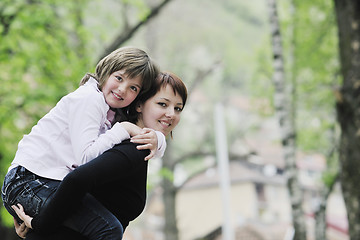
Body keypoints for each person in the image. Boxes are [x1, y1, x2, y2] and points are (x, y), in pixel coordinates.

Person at [1, 47, 167, 238]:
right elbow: (86, 159)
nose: (122, 89)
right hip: (28, 181)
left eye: (133, 88)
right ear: (106, 71)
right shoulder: (90, 99)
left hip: (46, 182)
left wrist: (158, 139)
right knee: (108, 228)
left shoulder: (111, 110)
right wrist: (124, 129)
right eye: (119, 78)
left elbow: (149, 134)